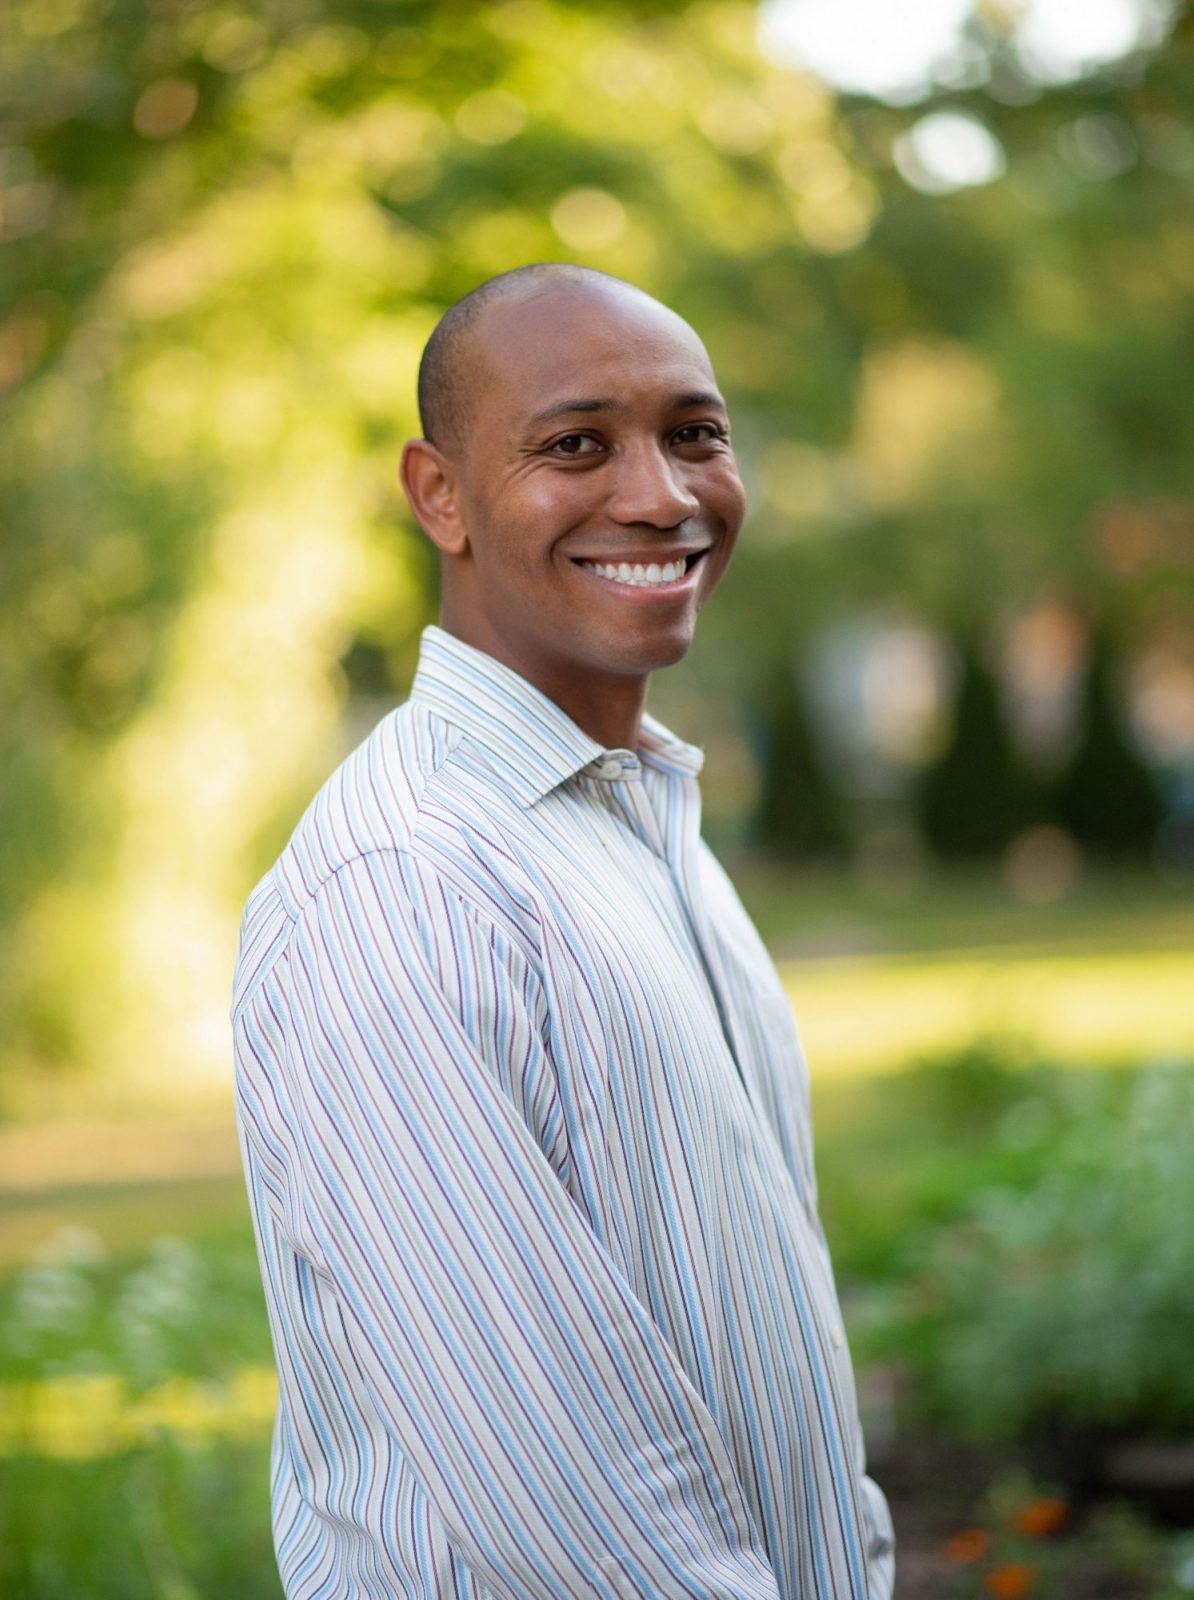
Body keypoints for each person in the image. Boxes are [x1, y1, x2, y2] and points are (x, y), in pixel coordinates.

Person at [231, 263, 894, 1600]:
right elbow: (573, 1518)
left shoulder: (635, 819)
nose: (659, 494)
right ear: (439, 495)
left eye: (695, 433)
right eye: (575, 445)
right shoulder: (407, 886)